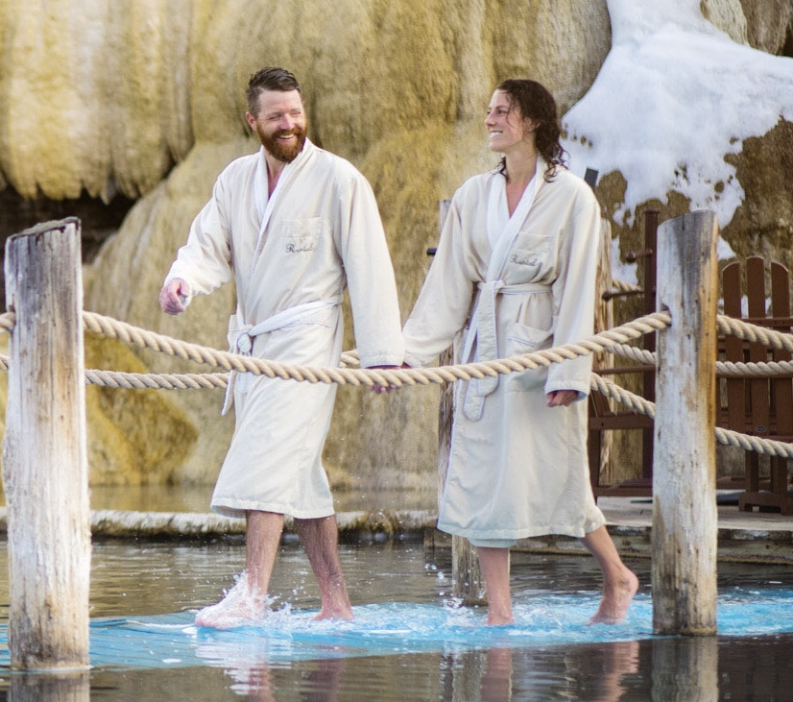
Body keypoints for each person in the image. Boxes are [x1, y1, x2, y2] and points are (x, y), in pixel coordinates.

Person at [160, 67, 404, 628]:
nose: (289, 123)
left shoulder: (340, 181)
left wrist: (381, 354)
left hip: (307, 344)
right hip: (254, 347)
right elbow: (208, 244)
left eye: (295, 112)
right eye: (276, 116)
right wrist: (183, 281)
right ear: (253, 121)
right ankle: (336, 603)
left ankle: (251, 593)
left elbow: (369, 267)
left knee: (265, 459)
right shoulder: (235, 181)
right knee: (303, 483)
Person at [399, 78, 638, 625]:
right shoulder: (472, 196)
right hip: (486, 355)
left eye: (502, 111)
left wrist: (568, 369)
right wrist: (405, 358)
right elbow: (448, 287)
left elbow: (579, 288)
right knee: (482, 478)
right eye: (489, 111)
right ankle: (500, 610)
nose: (491, 120)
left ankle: (619, 576)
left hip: (538, 359)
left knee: (561, 475)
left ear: (531, 120)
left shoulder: (572, 197)